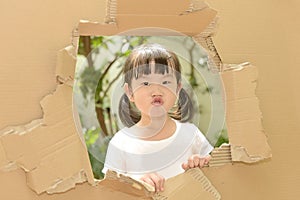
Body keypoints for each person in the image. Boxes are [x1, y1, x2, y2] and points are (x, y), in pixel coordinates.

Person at [102, 43, 213, 192]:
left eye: (166, 82)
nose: (157, 91)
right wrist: (135, 184)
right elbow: (109, 192)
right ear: (130, 92)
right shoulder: (121, 143)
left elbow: (217, 175)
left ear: (178, 89)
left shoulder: (191, 135)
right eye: (146, 83)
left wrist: (204, 165)